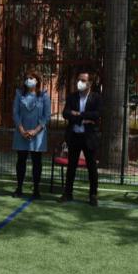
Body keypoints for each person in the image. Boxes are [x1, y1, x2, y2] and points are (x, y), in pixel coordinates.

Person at [58, 71, 101, 206]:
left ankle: (93, 195)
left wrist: (78, 114)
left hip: (89, 138)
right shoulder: (72, 97)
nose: (79, 82)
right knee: (71, 166)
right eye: (78, 79)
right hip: (74, 136)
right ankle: (67, 193)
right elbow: (65, 113)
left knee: (92, 167)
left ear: (90, 83)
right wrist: (83, 119)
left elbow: (96, 114)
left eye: (83, 80)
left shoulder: (96, 98)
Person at [11, 69, 51, 199]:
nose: (29, 80)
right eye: (27, 78)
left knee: (37, 162)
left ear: (37, 80)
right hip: (21, 132)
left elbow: (47, 116)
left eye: (32, 78)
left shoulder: (44, 95)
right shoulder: (19, 94)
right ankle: (19, 188)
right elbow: (15, 113)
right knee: (21, 160)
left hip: (38, 134)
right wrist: (21, 129)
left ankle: (36, 189)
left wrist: (36, 130)